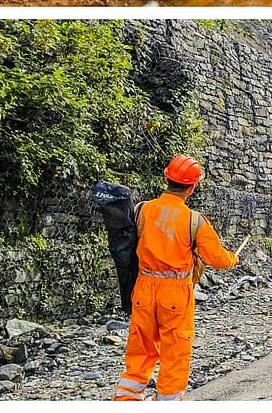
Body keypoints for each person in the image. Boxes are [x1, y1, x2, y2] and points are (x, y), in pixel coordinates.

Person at [115, 155, 239, 401]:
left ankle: (126, 399)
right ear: (192, 187)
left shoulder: (142, 209)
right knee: (175, 352)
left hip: (143, 288)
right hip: (175, 294)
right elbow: (218, 259)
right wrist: (233, 258)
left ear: (166, 179)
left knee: (140, 349)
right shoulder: (195, 221)